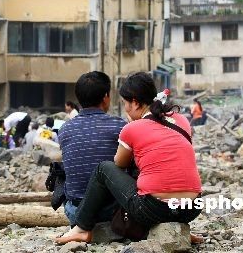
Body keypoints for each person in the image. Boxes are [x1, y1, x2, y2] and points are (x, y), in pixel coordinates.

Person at [56, 72, 202, 244]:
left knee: (104, 168)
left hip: (154, 209)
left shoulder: (132, 128)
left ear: (134, 102)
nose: (125, 107)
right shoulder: (182, 120)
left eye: (125, 103)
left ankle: (80, 228)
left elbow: (119, 163)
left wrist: (133, 127)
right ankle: (177, 229)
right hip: (192, 208)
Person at [58, 71, 126, 226]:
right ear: (105, 97)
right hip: (112, 213)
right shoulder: (120, 126)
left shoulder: (64, 129)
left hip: (75, 212)